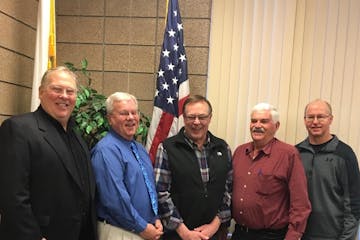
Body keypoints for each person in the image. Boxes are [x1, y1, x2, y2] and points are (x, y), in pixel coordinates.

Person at [0, 66, 97, 240]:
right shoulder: (18, 129)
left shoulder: (76, 134)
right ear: (40, 92)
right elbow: (12, 195)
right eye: (57, 89)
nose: (64, 96)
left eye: (70, 91)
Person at [154, 95, 233, 240]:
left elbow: (228, 191)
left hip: (213, 234)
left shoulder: (223, 148)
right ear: (184, 118)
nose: (196, 122)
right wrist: (183, 231)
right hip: (177, 235)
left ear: (210, 118)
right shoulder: (167, 148)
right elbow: (161, 192)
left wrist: (215, 224)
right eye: (191, 117)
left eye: (202, 117)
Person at [231, 102, 311, 240]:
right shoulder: (240, 152)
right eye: (253, 121)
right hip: (239, 233)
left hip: (270, 236)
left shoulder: (288, 154)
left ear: (276, 126)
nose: (257, 125)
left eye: (264, 121)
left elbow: (300, 203)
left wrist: (293, 236)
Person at [91, 92, 163, 240]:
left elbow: (149, 190)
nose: (131, 118)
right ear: (110, 119)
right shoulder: (106, 151)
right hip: (120, 231)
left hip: (144, 229)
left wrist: (155, 218)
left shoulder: (139, 149)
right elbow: (114, 200)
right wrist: (141, 226)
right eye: (124, 113)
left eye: (134, 113)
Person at [296, 99, 360, 240]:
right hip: (299, 235)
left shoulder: (344, 154)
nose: (315, 121)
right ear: (304, 120)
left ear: (330, 119)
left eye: (321, 116)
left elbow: (354, 204)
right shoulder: (296, 153)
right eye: (310, 117)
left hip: (333, 236)